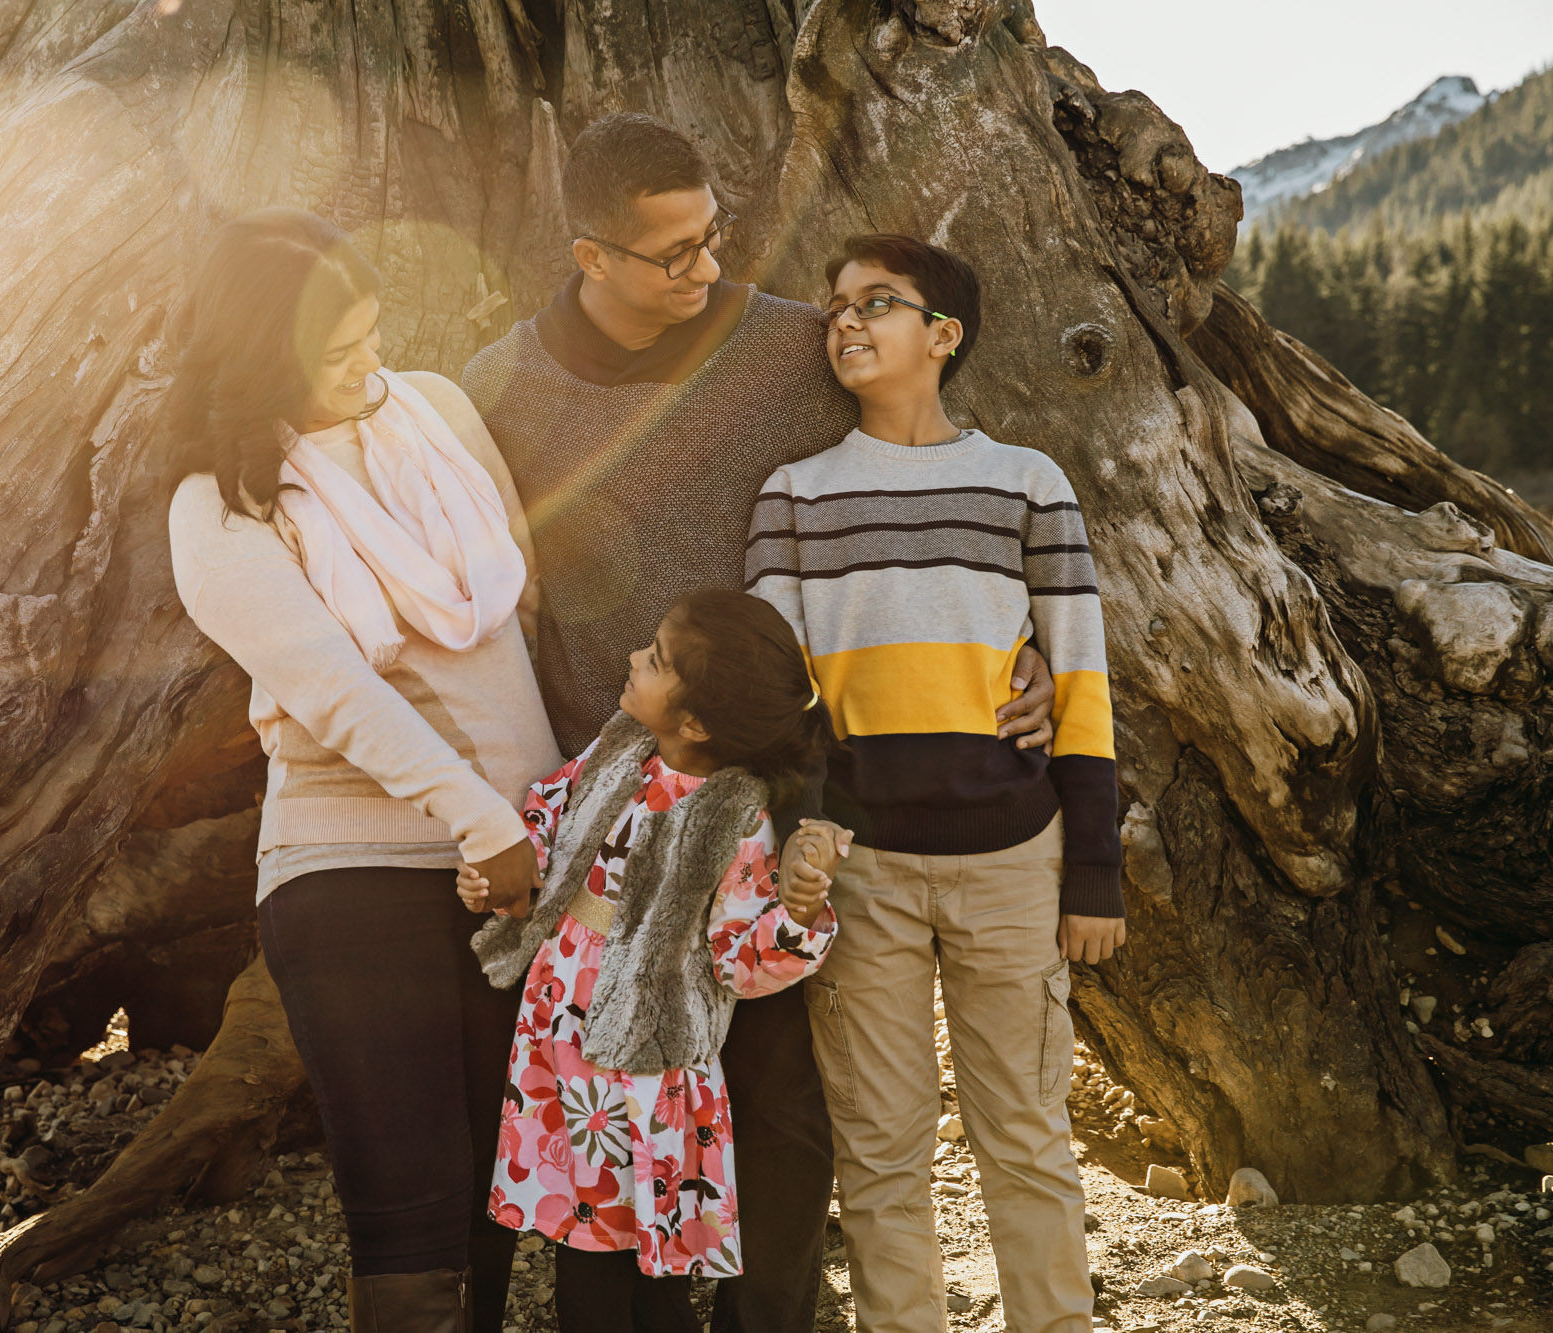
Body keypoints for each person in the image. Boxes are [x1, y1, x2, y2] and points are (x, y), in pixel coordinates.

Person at [459, 111, 1059, 1333]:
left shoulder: (791, 345)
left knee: (782, 1104)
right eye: (671, 253)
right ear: (590, 255)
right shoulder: (499, 389)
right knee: (613, 1102)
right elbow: (481, 595)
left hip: (781, 785)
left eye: (712, 238)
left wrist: (1021, 647)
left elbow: (923, 477)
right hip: (619, 810)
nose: (704, 270)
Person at [163, 207, 557, 1333]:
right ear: (259, 360)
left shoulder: (434, 410)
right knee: (409, 1209)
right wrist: (481, 818)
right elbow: (334, 688)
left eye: (373, 333)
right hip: (353, 877)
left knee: (494, 1193)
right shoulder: (220, 506)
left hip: (512, 864)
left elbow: (522, 600)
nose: (369, 365)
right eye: (337, 354)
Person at [746, 233, 1126, 1333]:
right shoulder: (794, 497)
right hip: (858, 875)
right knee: (878, 1149)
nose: (845, 323)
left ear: (942, 335)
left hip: (1013, 860)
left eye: (877, 303)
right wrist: (799, 838)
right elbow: (780, 699)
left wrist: (1091, 868)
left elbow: (1082, 675)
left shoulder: (1024, 483)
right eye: (834, 309)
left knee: (1025, 1138)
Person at [457, 590, 843, 1333]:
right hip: (560, 1038)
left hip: (640, 1064)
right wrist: (501, 869)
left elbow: (739, 958)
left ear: (695, 721)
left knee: (621, 1246)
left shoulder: (733, 817)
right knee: (583, 1233)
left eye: (657, 658)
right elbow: (548, 816)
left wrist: (796, 916)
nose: (635, 658)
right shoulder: (616, 754)